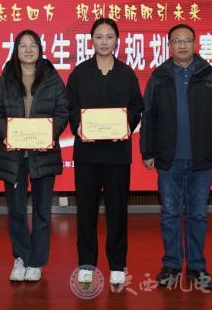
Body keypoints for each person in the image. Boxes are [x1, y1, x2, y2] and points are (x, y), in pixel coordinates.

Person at [140, 24, 212, 291]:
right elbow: (149, 117)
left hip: (202, 160)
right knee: (170, 214)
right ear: (169, 45)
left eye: (186, 40)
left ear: (195, 43)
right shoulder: (159, 77)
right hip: (168, 159)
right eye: (176, 41)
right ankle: (171, 266)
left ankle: (197, 267)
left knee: (197, 215)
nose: (182, 45)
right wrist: (147, 151)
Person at [66, 18, 144, 287]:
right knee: (86, 211)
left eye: (109, 37)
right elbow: (69, 105)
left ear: (117, 41)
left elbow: (136, 105)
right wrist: (78, 125)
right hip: (87, 154)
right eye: (99, 37)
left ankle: (117, 264)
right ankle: (86, 264)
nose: (104, 42)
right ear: (91, 41)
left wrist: (126, 124)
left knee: (117, 211)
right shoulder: (80, 73)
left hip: (117, 153)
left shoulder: (127, 73)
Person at [0, 29, 69, 282]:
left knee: (43, 212)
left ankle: (37, 261)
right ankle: (22, 257)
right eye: (23, 45)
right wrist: (7, 134)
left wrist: (49, 134)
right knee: (17, 211)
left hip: (43, 154)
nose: (28, 49)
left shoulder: (52, 80)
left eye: (33, 45)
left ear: (40, 50)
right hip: (14, 156)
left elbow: (63, 111)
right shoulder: (4, 81)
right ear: (16, 50)